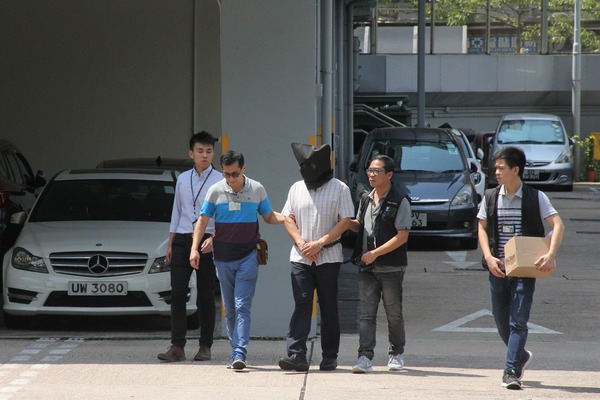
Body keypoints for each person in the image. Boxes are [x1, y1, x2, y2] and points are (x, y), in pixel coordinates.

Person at [478, 146, 564, 390]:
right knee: (500, 320)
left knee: (518, 321)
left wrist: (550, 254)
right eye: (495, 168)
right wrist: (488, 256)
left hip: (525, 268)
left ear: (515, 170)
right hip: (498, 267)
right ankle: (521, 355)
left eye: (501, 168)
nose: (496, 172)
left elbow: (557, 224)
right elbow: (482, 227)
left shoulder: (535, 197)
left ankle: (511, 371)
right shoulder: (491, 197)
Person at [190, 150, 284, 370]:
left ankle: (240, 352)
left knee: (242, 305)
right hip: (222, 258)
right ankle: (235, 351)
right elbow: (202, 222)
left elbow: (269, 216)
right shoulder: (215, 191)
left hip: (248, 256)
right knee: (230, 308)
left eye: (234, 174)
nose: (231, 179)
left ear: (244, 169)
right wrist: (194, 249)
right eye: (226, 174)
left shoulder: (257, 189)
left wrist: (288, 218)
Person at [278, 143, 354, 372]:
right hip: (300, 257)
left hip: (328, 257)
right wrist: (302, 243)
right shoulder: (296, 188)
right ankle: (297, 354)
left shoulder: (340, 188)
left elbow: (346, 220)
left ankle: (330, 356)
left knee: (328, 306)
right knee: (302, 304)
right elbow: (287, 218)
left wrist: (320, 243)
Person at [158, 131, 223, 363]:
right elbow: (177, 210)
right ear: (191, 153)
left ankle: (205, 345)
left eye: (209, 151)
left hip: (207, 238)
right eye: (200, 151)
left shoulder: (220, 179)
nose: (205, 155)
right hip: (184, 237)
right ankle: (177, 346)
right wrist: (171, 240)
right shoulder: (183, 178)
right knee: (177, 293)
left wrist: (215, 238)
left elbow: (222, 214)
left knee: (205, 295)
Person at [347, 154, 411, 373]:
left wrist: (374, 253)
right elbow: (358, 224)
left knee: (393, 313)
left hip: (391, 266)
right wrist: (345, 222)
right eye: (370, 171)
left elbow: (402, 236)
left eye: (377, 171)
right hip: (367, 266)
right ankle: (364, 357)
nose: (371, 175)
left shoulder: (399, 200)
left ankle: (396, 354)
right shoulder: (365, 198)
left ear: (389, 175)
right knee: (366, 314)